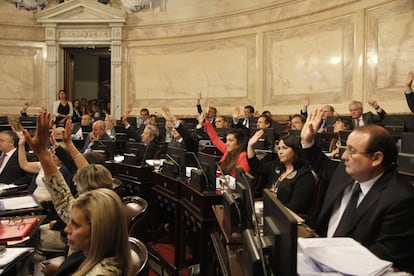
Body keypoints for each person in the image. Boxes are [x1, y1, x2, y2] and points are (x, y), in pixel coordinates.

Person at [301, 109, 414, 272]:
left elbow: (386, 257)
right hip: (318, 258)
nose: (344, 156)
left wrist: (330, 260)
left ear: (376, 158)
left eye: (352, 151)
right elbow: (321, 164)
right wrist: (308, 141)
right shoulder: (345, 172)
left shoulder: (400, 199)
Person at [248, 130, 316, 215]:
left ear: (295, 150)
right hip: (270, 211)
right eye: (279, 148)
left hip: (285, 218)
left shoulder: (305, 176)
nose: (280, 152)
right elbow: (257, 167)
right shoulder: (278, 166)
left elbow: (295, 208)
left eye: (285, 148)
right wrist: (250, 146)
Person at [199, 113, 250, 177]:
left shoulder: (243, 156)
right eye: (227, 140)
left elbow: (240, 180)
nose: (227, 143)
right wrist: (206, 121)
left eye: (230, 141)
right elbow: (215, 139)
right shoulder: (227, 150)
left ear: (239, 143)